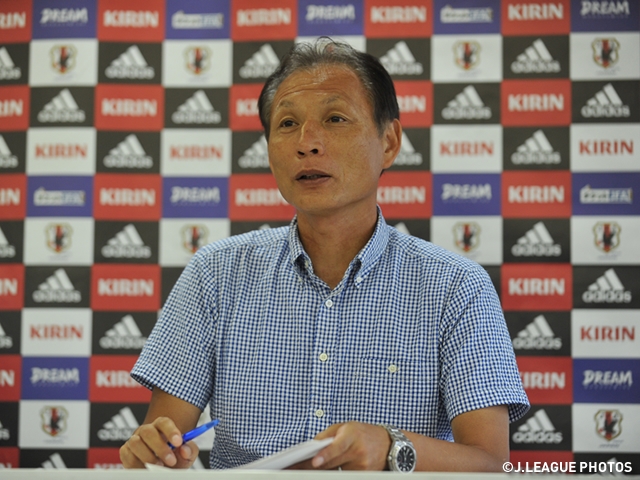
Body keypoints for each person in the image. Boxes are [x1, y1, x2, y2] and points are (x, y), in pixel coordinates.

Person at [120, 38, 529, 471]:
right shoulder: (215, 274)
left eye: (335, 119)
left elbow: (491, 464)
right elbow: (164, 445)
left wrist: (391, 448)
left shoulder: (455, 286)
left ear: (389, 142)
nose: (307, 143)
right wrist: (156, 453)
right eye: (287, 124)